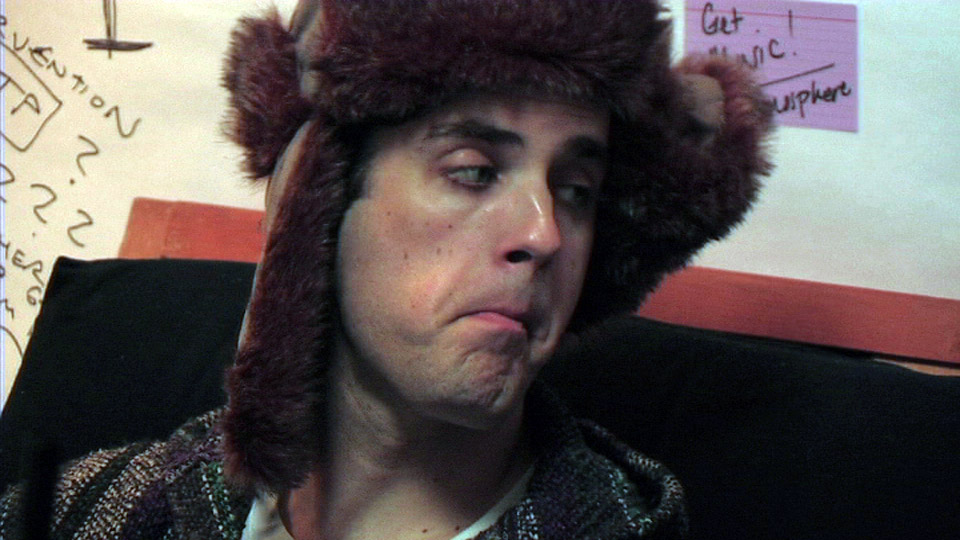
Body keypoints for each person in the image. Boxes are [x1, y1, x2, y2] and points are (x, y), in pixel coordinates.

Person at [0, 0, 772, 538]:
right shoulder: (89, 512)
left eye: (576, 190)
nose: (545, 235)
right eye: (473, 172)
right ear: (318, 202)